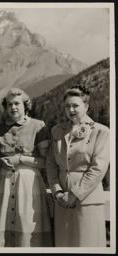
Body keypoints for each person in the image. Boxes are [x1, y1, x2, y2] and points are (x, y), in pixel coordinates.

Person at [46, 85, 110, 247]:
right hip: (62, 202)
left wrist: (74, 194)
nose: (71, 110)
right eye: (67, 106)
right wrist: (57, 191)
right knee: (64, 245)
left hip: (86, 201)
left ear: (86, 106)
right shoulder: (57, 131)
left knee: (87, 245)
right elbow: (51, 164)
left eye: (75, 105)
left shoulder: (101, 132)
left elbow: (98, 168)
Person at [0, 88, 53, 247]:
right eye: (10, 104)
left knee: (27, 228)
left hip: (28, 186)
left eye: (17, 103)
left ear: (25, 105)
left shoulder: (38, 126)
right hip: (4, 184)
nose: (13, 107)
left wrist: (20, 159)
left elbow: (45, 162)